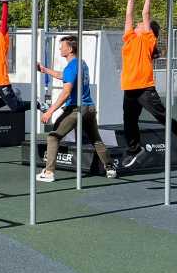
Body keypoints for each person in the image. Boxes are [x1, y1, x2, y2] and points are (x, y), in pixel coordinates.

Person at [121, 0, 177, 169]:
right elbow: (128, 16)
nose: (137, 24)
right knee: (129, 121)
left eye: (141, 24)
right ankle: (134, 149)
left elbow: (145, 14)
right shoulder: (129, 38)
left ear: (148, 30)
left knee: (163, 119)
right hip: (129, 88)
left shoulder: (148, 39)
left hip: (144, 88)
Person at [35, 36, 116, 182]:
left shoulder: (71, 67)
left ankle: (49, 172)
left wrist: (49, 111)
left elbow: (66, 93)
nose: (60, 48)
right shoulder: (81, 64)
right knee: (96, 139)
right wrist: (45, 70)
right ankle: (110, 168)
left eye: (62, 46)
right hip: (89, 108)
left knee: (53, 137)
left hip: (76, 109)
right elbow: (64, 75)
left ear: (70, 49)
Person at [0, 0, 34, 112]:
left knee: (15, 108)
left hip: (1, 81)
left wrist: (5, 3)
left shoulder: (2, 38)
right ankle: (14, 97)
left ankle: (36, 104)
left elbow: (4, 20)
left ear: (1, 29)